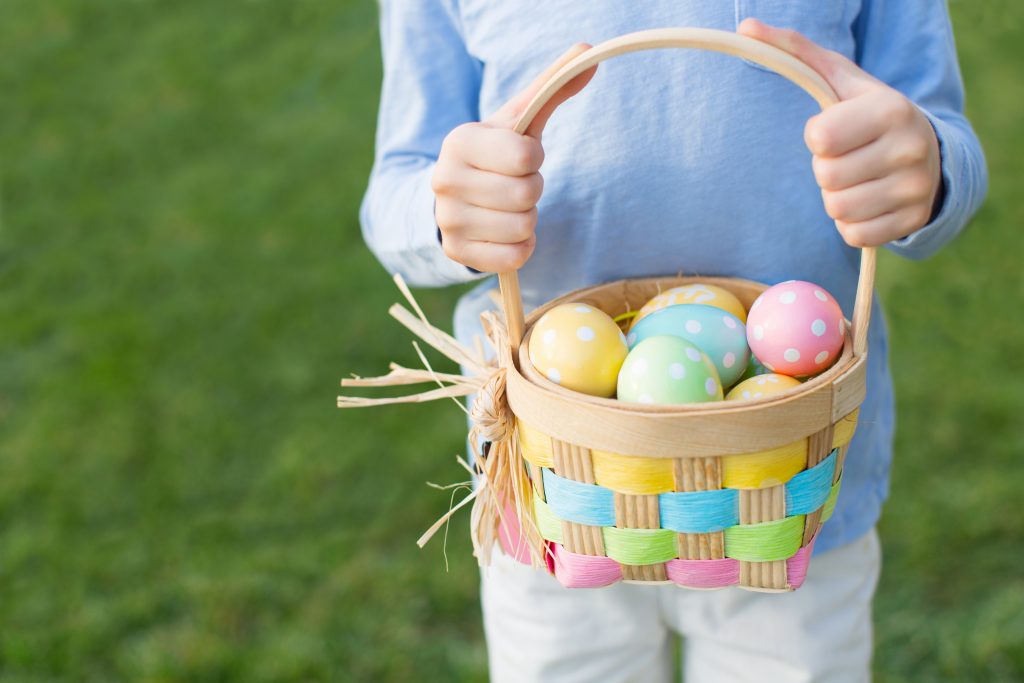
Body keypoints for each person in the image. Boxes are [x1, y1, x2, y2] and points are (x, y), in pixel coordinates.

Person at [359, 3, 987, 681]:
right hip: (556, 493)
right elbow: (395, 191)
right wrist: (446, 211)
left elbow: (944, 138)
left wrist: (927, 170)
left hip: (784, 496)